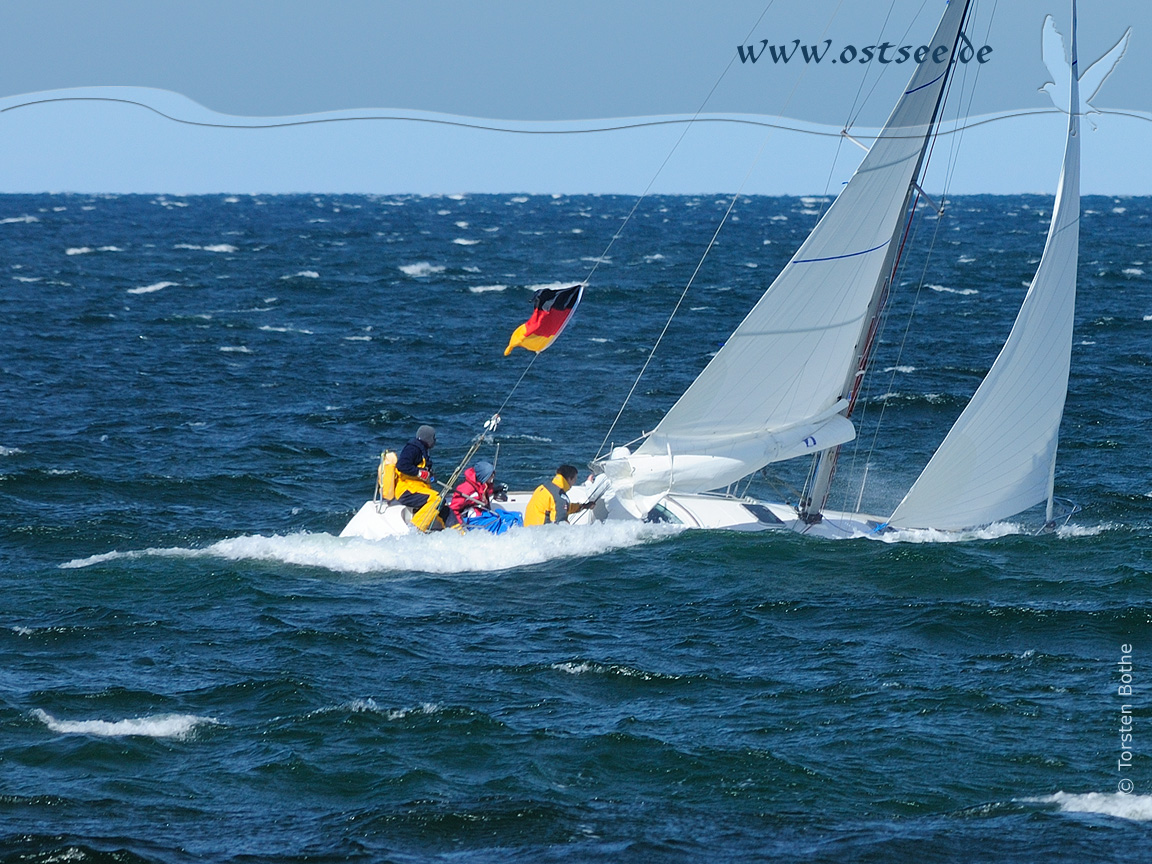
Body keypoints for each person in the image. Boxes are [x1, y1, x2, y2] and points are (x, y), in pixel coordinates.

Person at [450, 461, 523, 534]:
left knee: (516, 516)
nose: (493, 477)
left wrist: (495, 489)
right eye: (491, 475)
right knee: (499, 522)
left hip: (483, 513)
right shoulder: (466, 489)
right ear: (484, 475)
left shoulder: (484, 484)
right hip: (474, 519)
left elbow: (486, 492)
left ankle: (518, 535)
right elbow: (453, 509)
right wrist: (460, 527)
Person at [524, 464, 593, 526]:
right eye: (575, 479)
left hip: (529, 529)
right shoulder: (559, 495)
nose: (574, 483)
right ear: (569, 479)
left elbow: (562, 507)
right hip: (541, 533)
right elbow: (560, 524)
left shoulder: (543, 487)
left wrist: (583, 506)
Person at [395, 425, 438, 513]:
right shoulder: (412, 449)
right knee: (436, 500)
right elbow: (401, 465)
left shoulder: (422, 450)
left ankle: (455, 526)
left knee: (442, 504)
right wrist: (419, 473)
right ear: (428, 438)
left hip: (419, 488)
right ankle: (416, 526)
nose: (435, 440)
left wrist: (430, 474)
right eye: (433, 438)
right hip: (407, 490)